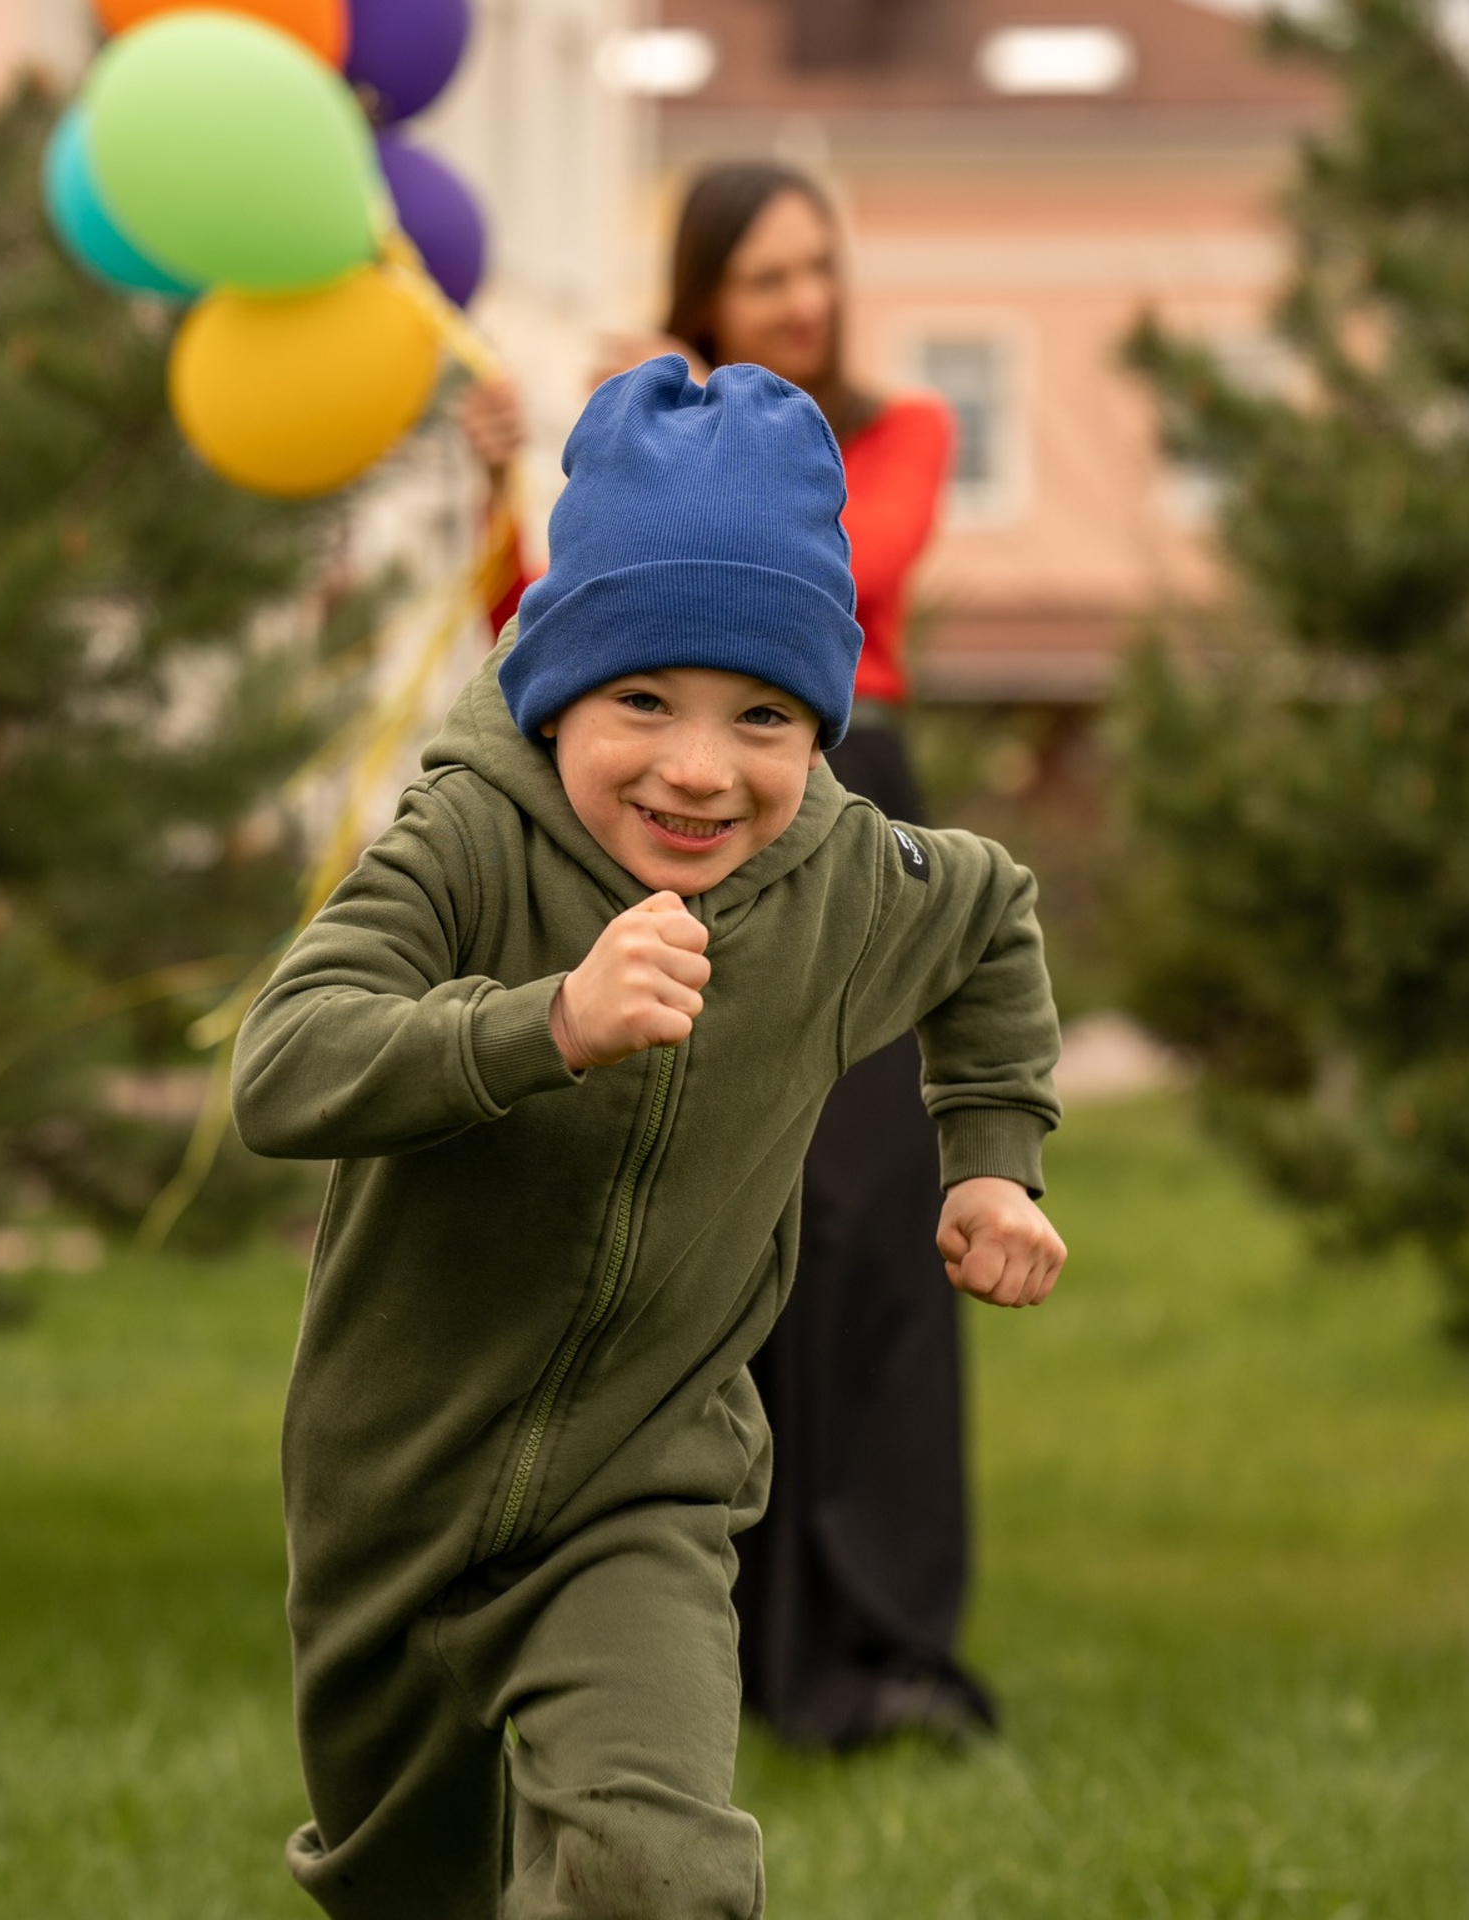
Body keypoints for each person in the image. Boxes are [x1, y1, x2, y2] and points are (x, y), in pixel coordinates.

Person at [233, 357, 1067, 1919]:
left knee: (657, 1866)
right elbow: (285, 1064)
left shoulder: (842, 880)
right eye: (643, 702)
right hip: (393, 1486)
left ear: (821, 725)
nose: (699, 767)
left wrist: (994, 1153)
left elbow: (992, 919)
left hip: (649, 1485)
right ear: (559, 689)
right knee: (406, 1884)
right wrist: (539, 1023)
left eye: (764, 715)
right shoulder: (469, 838)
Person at [463, 160, 990, 1748]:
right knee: (726, 1221)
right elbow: (547, 625)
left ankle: (889, 1643)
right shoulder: (640, 433)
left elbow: (853, 575)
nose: (807, 302)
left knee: (875, 1221)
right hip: (698, 827)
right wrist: (530, 476)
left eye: (817, 271)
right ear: (708, 292)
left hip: (850, 815)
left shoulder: (899, 434)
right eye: (768, 281)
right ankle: (718, 1632)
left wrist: (669, 433)